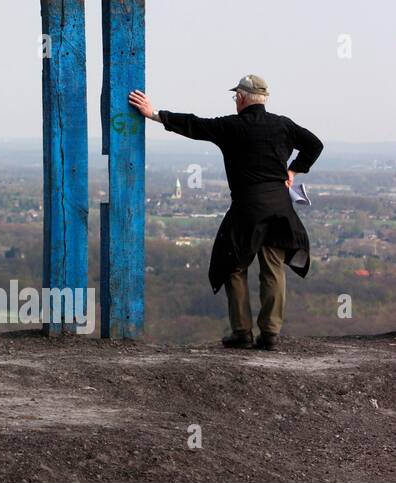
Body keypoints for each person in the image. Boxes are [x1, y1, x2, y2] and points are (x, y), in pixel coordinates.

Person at [128, 76, 323, 350]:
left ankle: (242, 332)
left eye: (235, 97)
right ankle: (270, 334)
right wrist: (292, 170)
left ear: (242, 98)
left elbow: (194, 125)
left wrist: (154, 114)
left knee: (233, 265)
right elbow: (315, 144)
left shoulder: (232, 127)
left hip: (248, 209)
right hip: (280, 208)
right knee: (273, 268)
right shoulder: (283, 125)